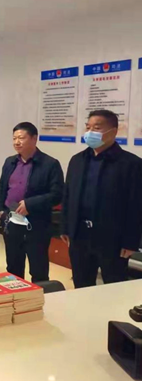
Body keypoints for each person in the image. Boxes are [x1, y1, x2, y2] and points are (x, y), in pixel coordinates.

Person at [61, 110, 142, 288]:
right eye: (88, 127)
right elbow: (67, 196)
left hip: (113, 239)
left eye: (96, 128)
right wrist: (66, 227)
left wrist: (131, 241)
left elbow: (136, 206)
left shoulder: (131, 164)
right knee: (81, 284)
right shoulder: (77, 160)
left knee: (114, 286)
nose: (90, 132)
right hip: (80, 236)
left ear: (113, 132)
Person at [0, 122, 64, 283]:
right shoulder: (10, 162)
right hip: (11, 221)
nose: (17, 142)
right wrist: (0, 211)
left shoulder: (50, 164)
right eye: (14, 138)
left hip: (37, 224)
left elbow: (57, 194)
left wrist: (30, 204)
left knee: (38, 269)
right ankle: (16, 294)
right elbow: (1, 187)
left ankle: (39, 296)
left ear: (34, 139)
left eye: (21, 138)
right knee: (13, 266)